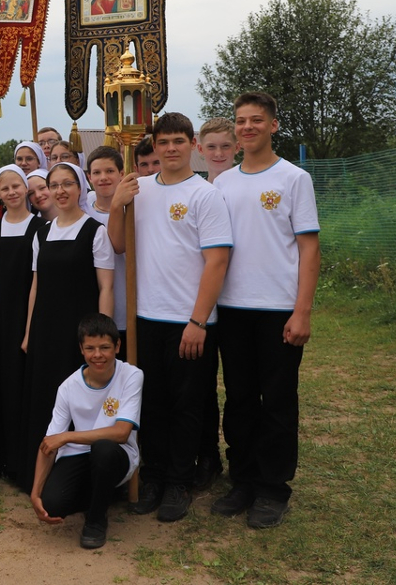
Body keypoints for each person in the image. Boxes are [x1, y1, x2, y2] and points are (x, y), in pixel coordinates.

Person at [108, 112, 232, 523]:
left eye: (180, 140)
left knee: (187, 405)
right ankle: (155, 476)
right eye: (164, 142)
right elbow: (119, 245)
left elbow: (216, 261)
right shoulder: (138, 188)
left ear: (192, 144)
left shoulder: (205, 194)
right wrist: (117, 206)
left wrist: (198, 321)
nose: (172, 148)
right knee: (154, 404)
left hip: (189, 321)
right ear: (155, 146)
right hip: (145, 317)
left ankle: (180, 481)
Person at [212, 92, 319, 529]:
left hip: (277, 309)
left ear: (273, 125)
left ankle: (273, 489)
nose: (247, 127)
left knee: (276, 402)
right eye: (240, 121)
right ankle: (243, 480)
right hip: (231, 309)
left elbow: (309, 249)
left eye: (257, 120)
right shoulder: (222, 184)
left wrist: (303, 311)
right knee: (238, 400)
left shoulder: (293, 179)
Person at [22, 162, 115, 490]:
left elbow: (105, 287)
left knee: (81, 401)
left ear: (80, 189)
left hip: (80, 332)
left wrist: (104, 338)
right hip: (46, 329)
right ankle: (42, 473)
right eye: (54, 184)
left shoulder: (95, 231)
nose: (60, 191)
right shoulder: (42, 232)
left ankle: (80, 475)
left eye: (67, 184)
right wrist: (29, 332)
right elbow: (36, 284)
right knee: (46, 396)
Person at [30, 314, 142, 550]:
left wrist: (68, 436)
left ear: (117, 346)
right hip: (80, 454)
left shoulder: (131, 375)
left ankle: (96, 519)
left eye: (105, 347)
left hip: (116, 453)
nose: (97, 355)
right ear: (81, 349)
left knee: (103, 449)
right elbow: (49, 444)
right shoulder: (68, 387)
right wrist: (35, 493)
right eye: (90, 348)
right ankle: (100, 491)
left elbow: (121, 433)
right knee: (52, 504)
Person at [0, 165, 44, 481]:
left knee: (20, 385)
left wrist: (29, 328)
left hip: (23, 315)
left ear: (26, 189)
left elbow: (35, 281)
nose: (12, 192)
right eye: (5, 188)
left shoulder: (39, 227)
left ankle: (20, 459)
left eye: (17, 186)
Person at [193, 116, 239, 490]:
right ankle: (207, 455)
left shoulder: (239, 186)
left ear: (236, 147)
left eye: (226, 146)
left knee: (239, 388)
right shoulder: (197, 190)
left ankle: (243, 459)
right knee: (203, 386)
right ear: (200, 149)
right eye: (212, 147)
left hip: (239, 302)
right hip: (203, 305)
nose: (219, 153)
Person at [84, 146, 129, 358]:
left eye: (110, 171)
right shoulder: (83, 211)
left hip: (129, 304)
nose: (103, 178)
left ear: (122, 173)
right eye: (97, 173)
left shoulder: (136, 207)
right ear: (88, 177)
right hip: (94, 302)